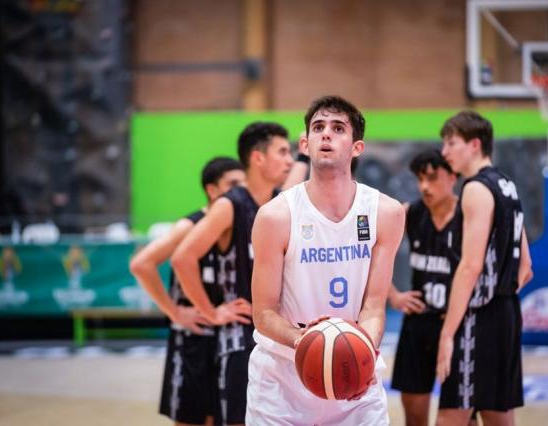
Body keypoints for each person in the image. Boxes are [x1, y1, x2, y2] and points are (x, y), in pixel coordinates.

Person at [246, 95, 405, 425]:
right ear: (305, 144)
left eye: (338, 128)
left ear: (357, 148)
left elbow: (374, 307)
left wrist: (363, 350)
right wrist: (307, 341)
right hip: (282, 384)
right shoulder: (276, 216)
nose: (326, 134)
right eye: (318, 128)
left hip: (354, 376)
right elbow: (263, 313)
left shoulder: (386, 213)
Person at [171, 122, 294, 426]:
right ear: (258, 157)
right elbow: (183, 258)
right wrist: (211, 312)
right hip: (241, 343)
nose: (289, 160)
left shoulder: (282, 203)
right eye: (282, 152)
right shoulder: (230, 205)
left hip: (280, 335)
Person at [130, 157, 246, 426]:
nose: (240, 190)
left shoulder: (239, 222)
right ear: (212, 190)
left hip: (224, 337)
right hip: (194, 338)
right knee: (191, 419)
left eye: (243, 184)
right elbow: (141, 264)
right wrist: (175, 312)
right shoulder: (191, 225)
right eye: (233, 184)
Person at [435, 111, 533, 426]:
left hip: (477, 316)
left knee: (451, 416)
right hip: (507, 313)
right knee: (497, 413)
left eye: (451, 143)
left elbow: (471, 267)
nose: (444, 152)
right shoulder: (507, 185)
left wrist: (448, 333)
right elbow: (526, 267)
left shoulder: (476, 189)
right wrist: (501, 292)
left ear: (474, 145)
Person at [388, 148, 460, 426]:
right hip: (417, 324)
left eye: (432, 178)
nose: (424, 187)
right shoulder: (410, 212)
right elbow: (367, 252)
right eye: (420, 179)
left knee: (461, 418)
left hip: (456, 326)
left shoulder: (469, 215)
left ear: (452, 177)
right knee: (414, 417)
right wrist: (394, 296)